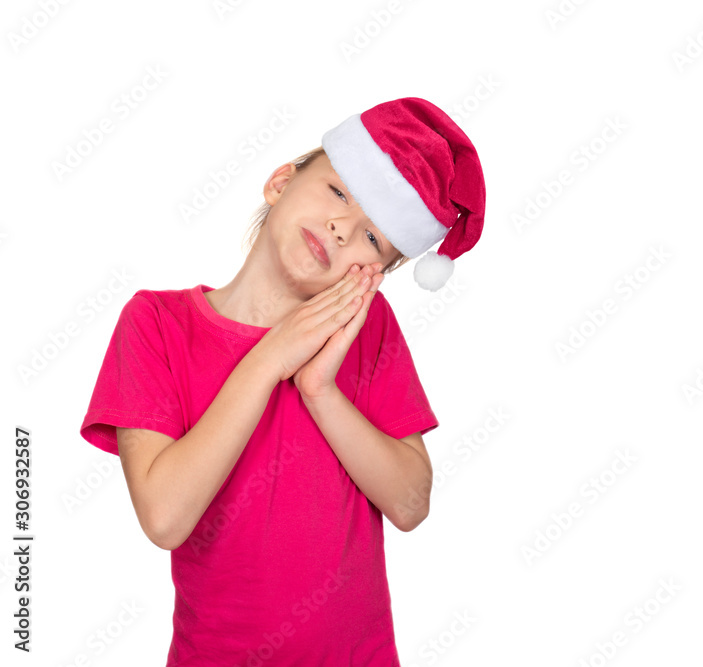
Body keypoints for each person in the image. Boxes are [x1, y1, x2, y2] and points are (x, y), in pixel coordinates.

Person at [78, 97, 486, 666]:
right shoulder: (156, 324)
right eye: (339, 193)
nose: (344, 229)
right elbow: (165, 517)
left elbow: (410, 504)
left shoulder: (366, 331)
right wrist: (270, 359)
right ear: (279, 183)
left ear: (374, 275)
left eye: (374, 239)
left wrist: (320, 389)